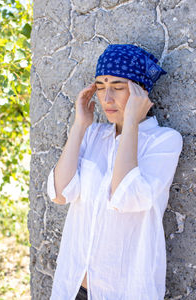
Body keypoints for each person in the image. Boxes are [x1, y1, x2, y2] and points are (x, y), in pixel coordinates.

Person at [47, 44, 183, 300]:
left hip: (125, 290)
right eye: (100, 87)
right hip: (73, 286)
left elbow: (126, 197)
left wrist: (131, 122)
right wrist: (80, 125)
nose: (106, 98)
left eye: (118, 88)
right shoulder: (92, 134)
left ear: (140, 91)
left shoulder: (164, 141)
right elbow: (60, 193)